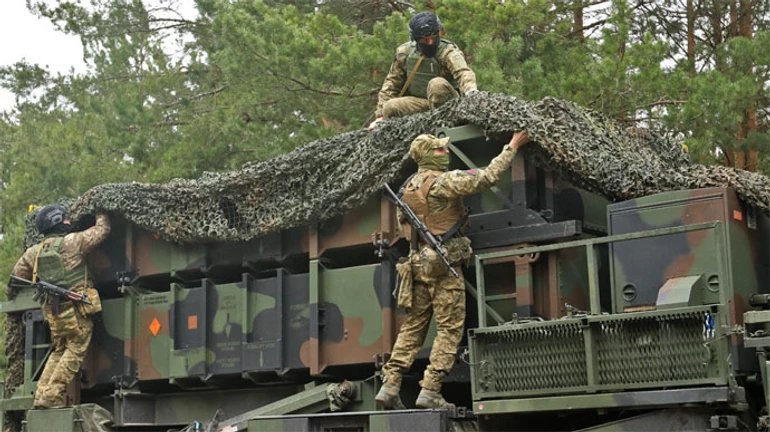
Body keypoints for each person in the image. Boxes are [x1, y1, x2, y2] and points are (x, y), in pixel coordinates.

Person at [376, 131, 530, 409]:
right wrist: (512, 146)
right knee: (449, 329)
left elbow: (405, 228)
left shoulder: (407, 187)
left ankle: (390, 384)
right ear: (426, 156)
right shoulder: (443, 182)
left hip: (417, 265)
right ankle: (431, 390)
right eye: (439, 150)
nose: (446, 153)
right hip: (443, 266)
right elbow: (487, 177)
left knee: (412, 327)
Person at [11, 205, 110, 409]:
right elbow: (102, 230)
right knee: (74, 349)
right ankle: (52, 394)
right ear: (58, 222)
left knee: (59, 350)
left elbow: (17, 276)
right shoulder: (72, 242)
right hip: (77, 309)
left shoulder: (33, 253)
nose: (67, 222)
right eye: (64, 219)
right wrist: (102, 210)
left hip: (54, 311)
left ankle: (41, 394)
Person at [369, 11, 478, 130]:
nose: (430, 42)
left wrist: (471, 91)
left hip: (449, 105)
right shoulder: (405, 54)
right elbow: (391, 84)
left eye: (433, 38)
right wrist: (380, 116)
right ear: (415, 39)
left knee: (437, 85)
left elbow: (463, 72)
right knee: (390, 106)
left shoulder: (448, 52)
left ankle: (443, 126)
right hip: (422, 104)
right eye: (425, 40)